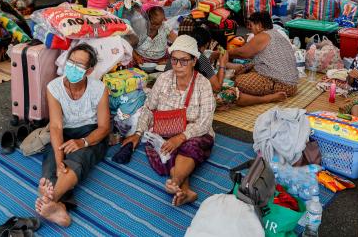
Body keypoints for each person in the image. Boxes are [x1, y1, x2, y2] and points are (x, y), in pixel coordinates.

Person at [122, 35, 215, 206]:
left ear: (194, 61)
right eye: (174, 60)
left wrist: (180, 137)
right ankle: (184, 190)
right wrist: (138, 133)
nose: (178, 65)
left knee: (189, 147)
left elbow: (204, 122)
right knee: (165, 149)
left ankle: (175, 181)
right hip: (164, 132)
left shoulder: (203, 84)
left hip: (194, 133)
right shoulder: (163, 79)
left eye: (184, 61)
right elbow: (149, 108)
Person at [36, 44, 110, 226]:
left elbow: (104, 127)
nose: (72, 68)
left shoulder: (99, 89)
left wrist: (83, 142)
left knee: (77, 161)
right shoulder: (54, 87)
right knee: (53, 162)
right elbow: (55, 126)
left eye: (79, 65)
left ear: (89, 70)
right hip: (65, 132)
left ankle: (50, 200)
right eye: (71, 62)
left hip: (91, 134)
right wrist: (60, 158)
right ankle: (56, 205)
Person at [228, 12, 299, 106]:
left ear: (259, 26)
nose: (250, 28)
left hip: (282, 85)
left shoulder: (263, 35)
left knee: (240, 82)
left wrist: (223, 54)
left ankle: (269, 98)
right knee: (242, 70)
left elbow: (243, 53)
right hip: (292, 85)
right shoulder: (277, 34)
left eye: (251, 25)